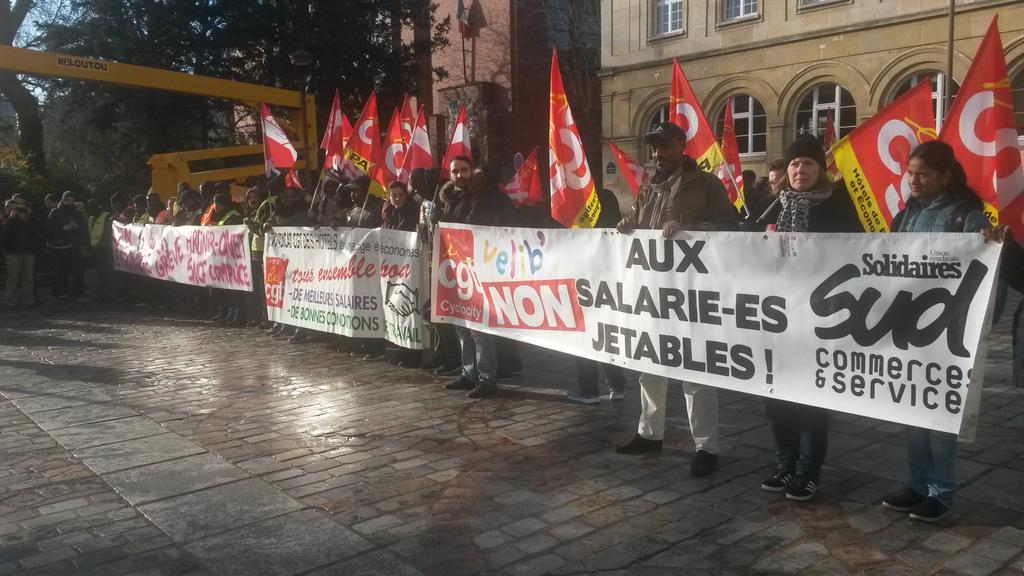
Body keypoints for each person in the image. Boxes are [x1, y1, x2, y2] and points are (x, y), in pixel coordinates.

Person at [613, 121, 738, 477]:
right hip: (651, 290)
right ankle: (649, 433)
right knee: (649, 366)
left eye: (665, 146)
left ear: (682, 147)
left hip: (691, 294)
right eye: (654, 147)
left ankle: (706, 446)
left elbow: (731, 230)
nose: (658, 154)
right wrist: (628, 227)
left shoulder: (706, 184)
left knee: (695, 372)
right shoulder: (648, 188)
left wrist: (693, 232)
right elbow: (638, 223)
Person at [879, 140, 993, 523]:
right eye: (911, 172)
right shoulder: (905, 214)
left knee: (940, 416)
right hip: (910, 327)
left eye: (923, 173)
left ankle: (941, 493)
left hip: (946, 332)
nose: (914, 180)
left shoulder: (966, 216)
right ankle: (917, 482)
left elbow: (987, 266)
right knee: (913, 409)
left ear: (946, 176)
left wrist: (994, 245)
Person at [756, 134, 860, 502]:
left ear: (822, 170)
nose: (801, 170)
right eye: (795, 163)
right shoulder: (770, 207)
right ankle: (784, 464)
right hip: (774, 318)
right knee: (774, 395)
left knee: (810, 397)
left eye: (809, 163)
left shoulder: (839, 208)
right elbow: (736, 248)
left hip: (819, 319)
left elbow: (857, 258)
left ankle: (808, 470)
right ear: (786, 170)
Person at [439, 156, 501, 399]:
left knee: (479, 328)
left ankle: (487, 378)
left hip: (479, 268)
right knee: (461, 327)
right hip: (455, 269)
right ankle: (468, 373)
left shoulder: (480, 196)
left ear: (471, 171)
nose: (459, 175)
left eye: (464, 170)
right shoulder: (449, 198)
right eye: (455, 171)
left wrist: (446, 225)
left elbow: (471, 226)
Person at [568, 187, 628, 403]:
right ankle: (616, 385)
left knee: (585, 331)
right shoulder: (607, 195)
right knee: (606, 332)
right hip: (608, 273)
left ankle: (588, 388)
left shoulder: (570, 199)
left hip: (583, 273)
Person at [48, 191, 88, 300]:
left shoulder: (78, 213)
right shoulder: (55, 212)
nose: (70, 202)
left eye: (72, 200)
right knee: (60, 272)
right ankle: (60, 293)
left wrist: (77, 228)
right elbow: (48, 229)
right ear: (63, 200)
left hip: (74, 246)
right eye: (68, 200)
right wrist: (62, 228)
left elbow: (84, 230)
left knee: (78, 272)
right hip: (60, 247)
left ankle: (76, 293)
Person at [2, 198, 40, 309]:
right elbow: (3, 236)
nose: (14, 209)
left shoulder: (25, 219)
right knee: (13, 278)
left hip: (27, 252)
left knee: (28, 278)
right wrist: (11, 218)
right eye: (11, 207)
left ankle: (27, 300)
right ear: (6, 208)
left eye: (16, 207)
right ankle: (10, 302)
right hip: (12, 252)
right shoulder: (5, 219)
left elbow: (36, 233)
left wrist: (26, 220)